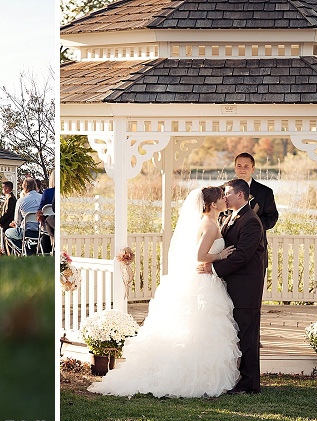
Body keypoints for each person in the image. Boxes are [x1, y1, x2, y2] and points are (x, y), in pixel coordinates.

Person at [90, 186, 240, 397]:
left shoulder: (211, 222)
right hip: (204, 282)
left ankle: (202, 374)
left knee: (201, 329)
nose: (225, 199)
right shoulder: (210, 225)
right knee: (201, 328)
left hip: (206, 280)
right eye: (221, 198)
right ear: (213, 204)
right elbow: (200, 256)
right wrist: (221, 256)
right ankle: (195, 377)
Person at [199, 179, 267, 394]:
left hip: (247, 288)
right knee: (238, 334)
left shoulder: (251, 221)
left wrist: (214, 268)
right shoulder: (230, 217)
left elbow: (243, 256)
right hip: (233, 286)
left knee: (248, 336)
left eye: (227, 193)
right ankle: (238, 378)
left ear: (240, 195)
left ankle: (249, 384)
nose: (224, 197)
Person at [231, 152, 278, 268]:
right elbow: (218, 215)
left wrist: (254, 227)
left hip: (256, 252)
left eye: (246, 166)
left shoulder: (265, 192)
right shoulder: (224, 190)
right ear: (234, 168)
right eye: (239, 166)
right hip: (229, 251)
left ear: (253, 169)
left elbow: (272, 217)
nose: (242, 169)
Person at [5, 178, 42, 254]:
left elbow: (17, 222)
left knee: (7, 232)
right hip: (41, 232)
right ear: (35, 186)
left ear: (24, 188)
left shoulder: (21, 201)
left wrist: (15, 224)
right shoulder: (42, 198)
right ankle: (29, 250)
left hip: (26, 232)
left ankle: (24, 251)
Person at [37, 172, 56, 253]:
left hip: (50, 222)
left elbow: (40, 209)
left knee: (47, 222)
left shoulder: (47, 192)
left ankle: (53, 246)